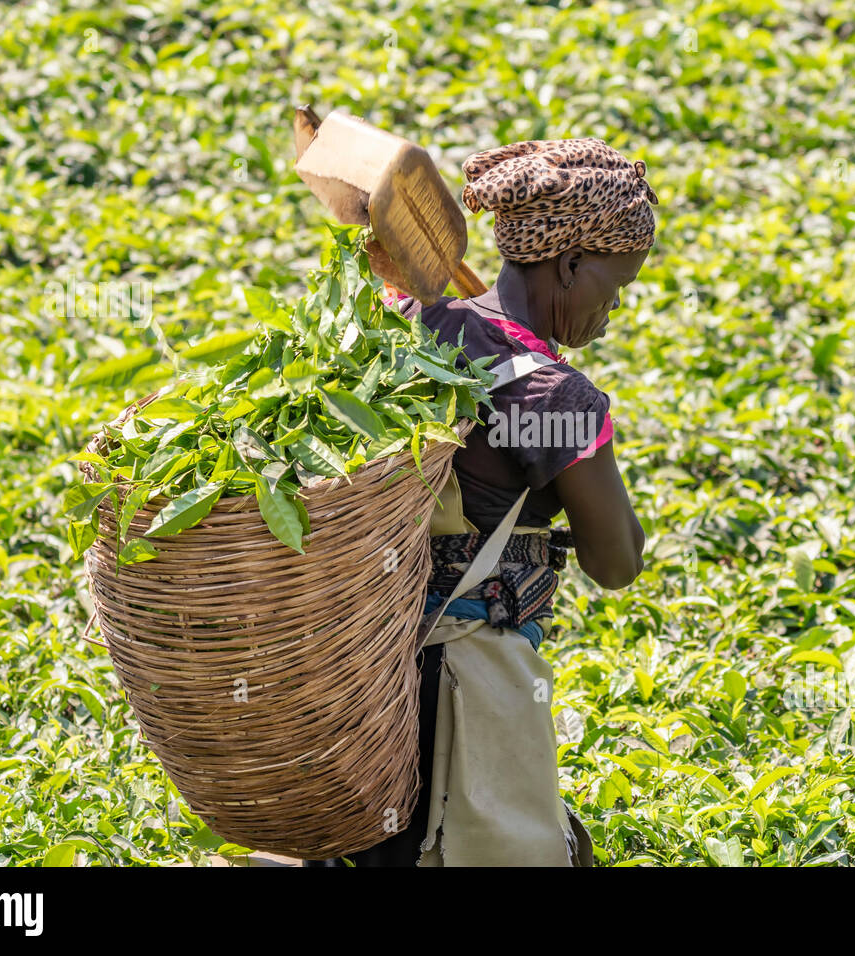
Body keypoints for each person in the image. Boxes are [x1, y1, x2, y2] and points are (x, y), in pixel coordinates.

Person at [306, 136, 656, 867]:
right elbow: (617, 560)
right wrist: (592, 433)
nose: (612, 311)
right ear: (569, 265)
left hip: (352, 666)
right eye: (613, 288)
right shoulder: (555, 398)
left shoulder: (405, 322)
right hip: (458, 681)